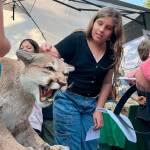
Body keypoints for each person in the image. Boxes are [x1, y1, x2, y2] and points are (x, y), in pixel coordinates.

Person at [41, 7, 124, 150]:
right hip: (68, 100)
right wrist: (46, 49)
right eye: (99, 23)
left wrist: (99, 109)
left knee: (90, 146)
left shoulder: (112, 52)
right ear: (93, 23)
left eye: (108, 28)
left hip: (91, 105)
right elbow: (51, 56)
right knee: (69, 146)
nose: (101, 29)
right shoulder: (77, 39)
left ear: (113, 33)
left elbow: (106, 83)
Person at [18, 39, 43, 137]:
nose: (24, 49)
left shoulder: (42, 70)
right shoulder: (13, 69)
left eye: (28, 47)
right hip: (12, 122)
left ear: (35, 52)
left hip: (32, 122)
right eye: (21, 48)